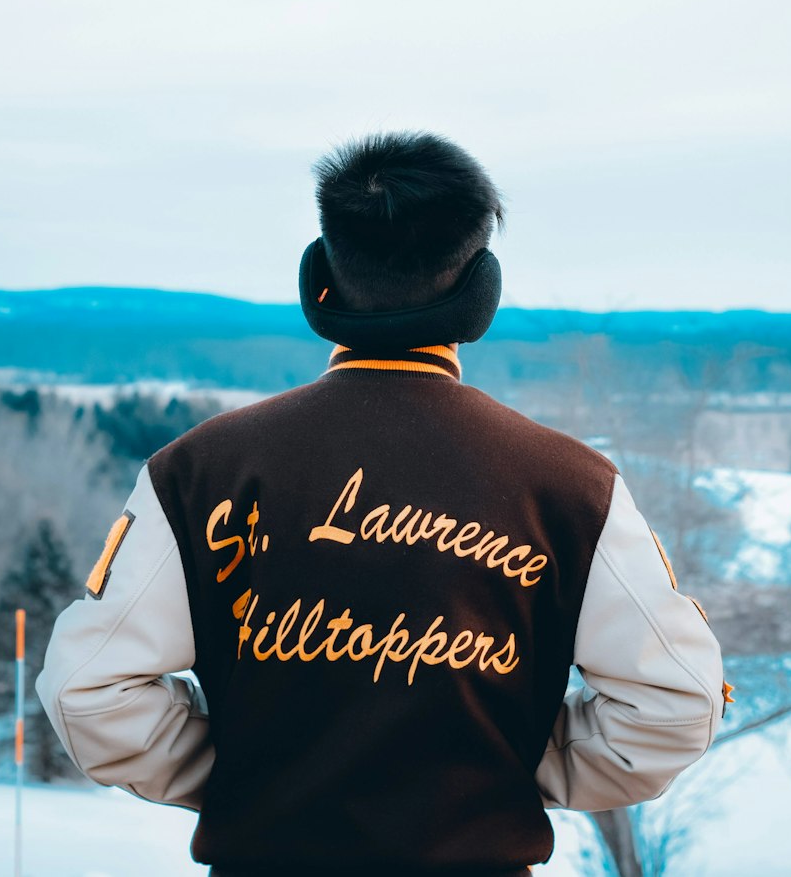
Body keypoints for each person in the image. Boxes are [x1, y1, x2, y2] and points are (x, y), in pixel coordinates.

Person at [36, 131, 728, 877]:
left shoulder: (200, 470)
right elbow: (674, 706)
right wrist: (497, 771)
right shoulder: (568, 486)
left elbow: (88, 692)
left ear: (323, 278)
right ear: (480, 292)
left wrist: (260, 778)